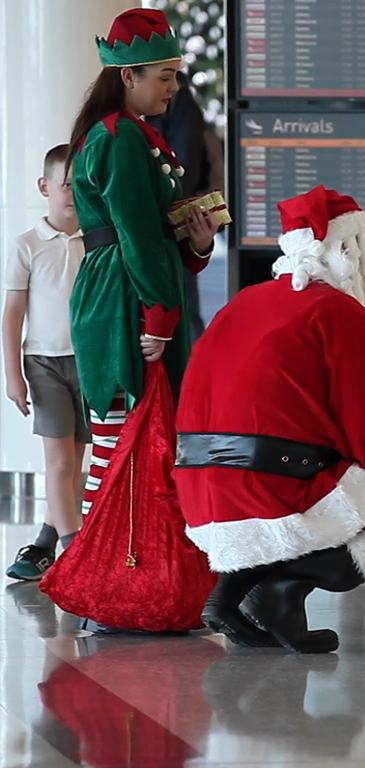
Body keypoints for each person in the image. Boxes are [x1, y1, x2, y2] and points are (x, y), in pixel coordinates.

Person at [174, 185, 365, 654]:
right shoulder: (341, 312)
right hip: (270, 484)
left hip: (197, 488)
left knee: (305, 480)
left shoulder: (243, 302)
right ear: (347, 253)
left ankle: (228, 596)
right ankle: (286, 590)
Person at [39, 8, 220, 632]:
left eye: (175, 75)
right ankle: (106, 589)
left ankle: (128, 588)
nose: (173, 88)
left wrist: (197, 246)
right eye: (164, 76)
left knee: (133, 447)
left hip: (129, 291)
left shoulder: (132, 133)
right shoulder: (118, 137)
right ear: (127, 75)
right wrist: (161, 312)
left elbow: (153, 236)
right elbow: (138, 235)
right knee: (122, 448)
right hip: (124, 299)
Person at [3, 145, 90, 580]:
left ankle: (44, 544)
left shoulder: (96, 240)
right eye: (67, 184)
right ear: (45, 187)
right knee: (58, 462)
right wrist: (13, 375)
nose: (75, 193)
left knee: (75, 461)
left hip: (89, 363)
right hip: (44, 364)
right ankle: (76, 556)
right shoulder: (27, 244)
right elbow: (13, 313)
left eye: (83, 184)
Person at [149, 70, 209, 342]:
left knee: (183, 314)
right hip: (162, 232)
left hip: (170, 228)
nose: (170, 87)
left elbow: (182, 174)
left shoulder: (179, 103)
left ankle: (192, 367)